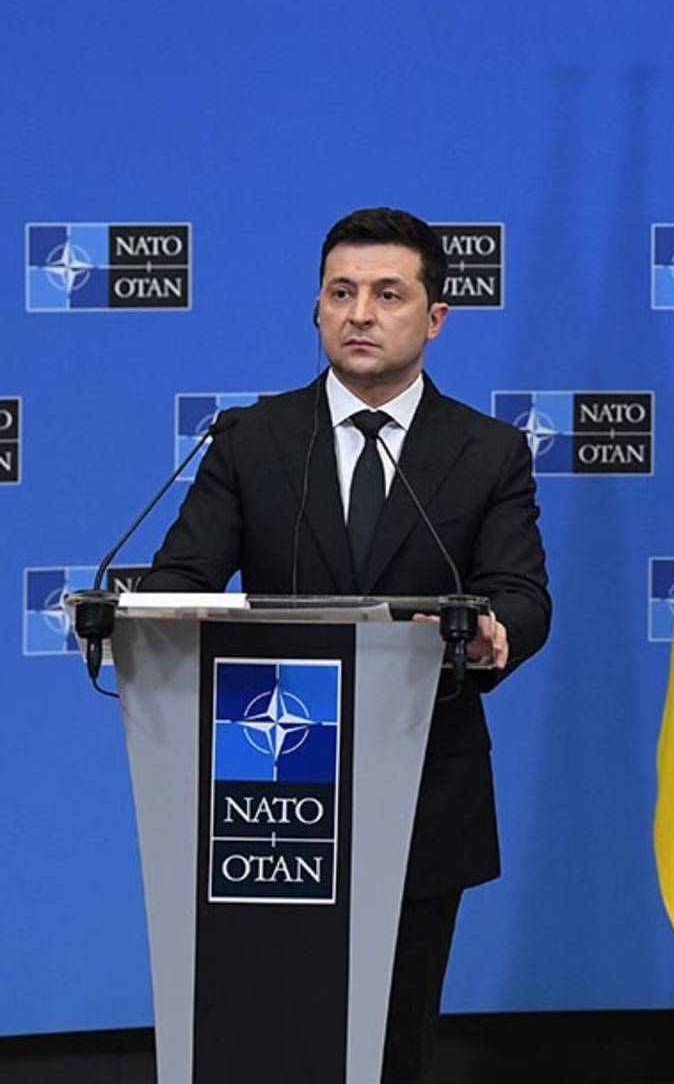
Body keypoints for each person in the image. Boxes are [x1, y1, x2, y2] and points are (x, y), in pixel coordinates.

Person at [142, 207, 552, 1082]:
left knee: (392, 1045)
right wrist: (140, 615)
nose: (360, 313)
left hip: (422, 790)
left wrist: (495, 632)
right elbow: (180, 580)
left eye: (387, 295)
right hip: (266, 796)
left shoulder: (488, 451)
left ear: (435, 318)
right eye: (341, 292)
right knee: (267, 1041)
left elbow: (521, 594)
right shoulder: (251, 439)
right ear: (318, 308)